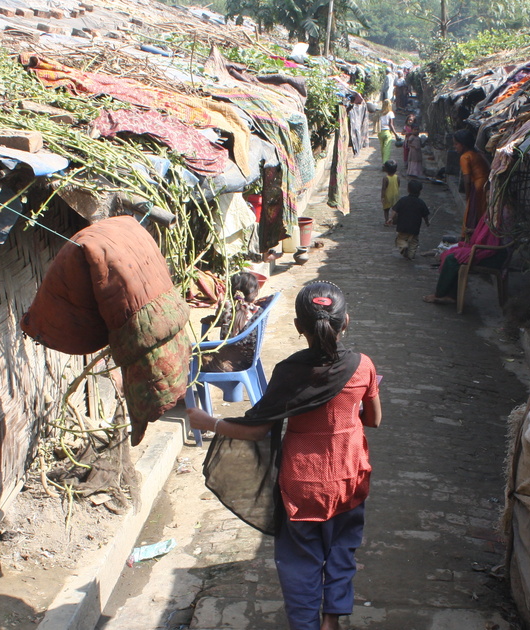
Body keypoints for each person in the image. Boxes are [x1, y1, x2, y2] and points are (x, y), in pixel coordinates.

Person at [187, 282, 381, 630]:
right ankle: (331, 619)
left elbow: (257, 429)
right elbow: (376, 419)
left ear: (298, 327)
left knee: (300, 561)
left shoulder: (289, 373)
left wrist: (210, 421)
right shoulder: (363, 366)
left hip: (300, 484)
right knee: (341, 549)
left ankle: (305, 624)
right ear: (346, 322)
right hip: (349, 478)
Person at [423, 215, 505, 305]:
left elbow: (494, 240)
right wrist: (474, 232)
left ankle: (441, 294)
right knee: (452, 253)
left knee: (452, 259)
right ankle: (451, 295)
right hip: (487, 250)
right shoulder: (493, 212)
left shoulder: (501, 215)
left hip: (492, 255)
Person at [199, 271, 263, 372]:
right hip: (249, 359)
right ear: (254, 293)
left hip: (227, 362)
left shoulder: (226, 305)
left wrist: (213, 318)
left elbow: (221, 320)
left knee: (193, 356)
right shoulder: (258, 310)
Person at [453, 129, 489, 240]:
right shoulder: (477, 154)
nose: (455, 147)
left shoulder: (465, 157)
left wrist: (468, 195)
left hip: (477, 185)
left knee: (472, 212)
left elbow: (467, 179)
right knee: (482, 211)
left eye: (456, 144)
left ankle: (470, 237)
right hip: (486, 184)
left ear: (463, 144)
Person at [390, 179, 430, 260]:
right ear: (420, 191)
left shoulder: (403, 200)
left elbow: (395, 209)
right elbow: (425, 215)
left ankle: (403, 247)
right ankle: (411, 255)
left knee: (401, 239)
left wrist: (391, 218)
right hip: (415, 228)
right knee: (414, 242)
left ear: (408, 189)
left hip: (402, 226)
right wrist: (427, 222)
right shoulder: (421, 202)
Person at [376, 102, 397, 167]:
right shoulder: (390, 113)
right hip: (387, 132)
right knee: (386, 149)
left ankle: (383, 162)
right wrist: (396, 134)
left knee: (382, 149)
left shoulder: (380, 113)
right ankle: (385, 164)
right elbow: (391, 124)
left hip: (380, 132)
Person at [381, 160, 400, 227]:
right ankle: (394, 220)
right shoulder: (397, 177)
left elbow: (384, 188)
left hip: (387, 196)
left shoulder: (385, 178)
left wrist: (382, 197)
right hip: (395, 195)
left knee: (386, 209)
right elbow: (398, 185)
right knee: (395, 209)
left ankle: (387, 221)